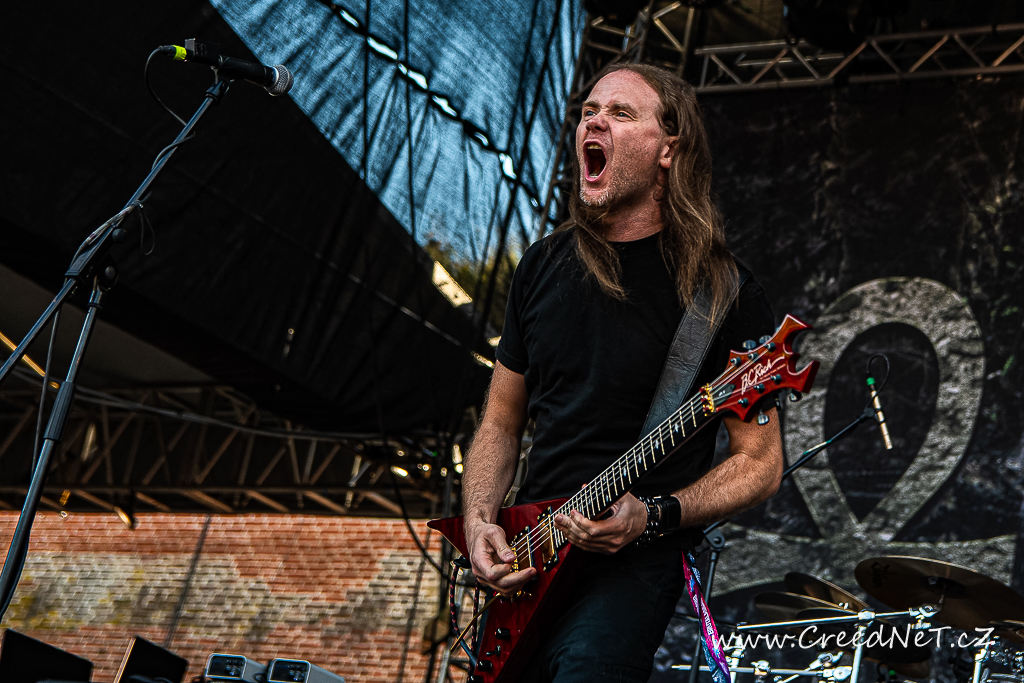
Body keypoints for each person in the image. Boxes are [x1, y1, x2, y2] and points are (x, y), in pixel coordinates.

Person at [461, 63, 784, 682]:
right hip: (530, 556)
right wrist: (480, 522)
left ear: (669, 150)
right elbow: (500, 422)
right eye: (589, 111)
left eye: (620, 113)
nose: (595, 121)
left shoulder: (722, 292)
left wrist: (655, 514)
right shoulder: (542, 266)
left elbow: (760, 463)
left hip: (633, 564)